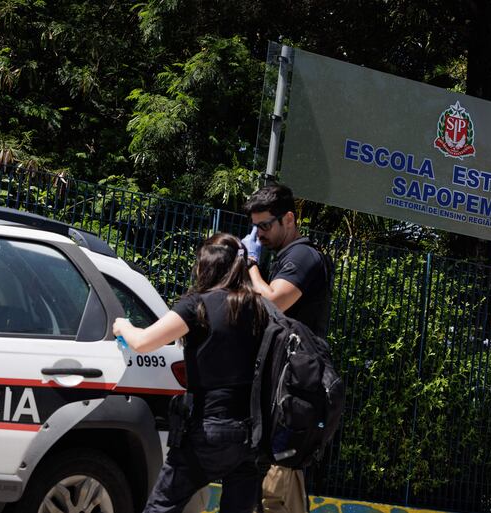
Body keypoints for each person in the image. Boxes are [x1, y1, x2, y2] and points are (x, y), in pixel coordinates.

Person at [113, 233, 268, 513]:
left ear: (206, 266)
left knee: (162, 506)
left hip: (208, 429)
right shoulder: (258, 307)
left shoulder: (198, 304)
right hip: (250, 434)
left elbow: (143, 342)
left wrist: (123, 326)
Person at [241, 184, 332, 513]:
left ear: (289, 219)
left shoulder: (303, 256)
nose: (259, 234)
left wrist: (251, 263)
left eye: (265, 225)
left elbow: (274, 302)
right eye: (254, 228)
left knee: (279, 489)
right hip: (281, 388)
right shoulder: (284, 258)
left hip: (296, 392)